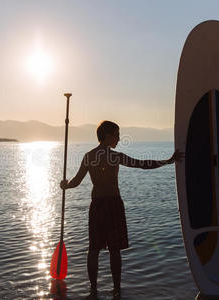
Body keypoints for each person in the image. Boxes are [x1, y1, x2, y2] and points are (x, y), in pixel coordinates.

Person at [60, 120, 183, 299]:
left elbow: (76, 182)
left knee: (93, 248)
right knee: (114, 249)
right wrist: (168, 161)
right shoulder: (115, 157)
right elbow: (142, 164)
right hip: (113, 205)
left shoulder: (88, 156)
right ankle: (116, 290)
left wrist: (65, 186)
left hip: (97, 205)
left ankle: (93, 291)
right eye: (117, 135)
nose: (118, 138)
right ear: (108, 136)